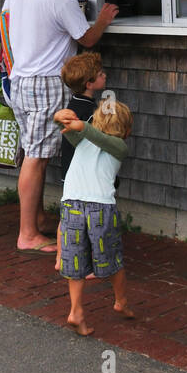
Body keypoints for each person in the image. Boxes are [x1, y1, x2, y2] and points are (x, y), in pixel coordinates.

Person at [3, 0, 119, 253]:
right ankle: (27, 234)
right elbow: (87, 38)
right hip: (47, 82)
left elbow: (6, 17)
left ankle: (36, 218)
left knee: (30, 151)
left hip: (22, 79)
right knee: (37, 158)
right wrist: (104, 19)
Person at [53, 97, 135, 335]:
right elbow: (64, 127)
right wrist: (59, 117)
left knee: (81, 260)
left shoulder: (118, 147)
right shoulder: (83, 139)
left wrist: (83, 126)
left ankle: (82, 310)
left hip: (72, 206)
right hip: (98, 208)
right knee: (106, 260)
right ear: (127, 130)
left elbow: (99, 137)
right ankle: (112, 303)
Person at [55, 51, 108, 269]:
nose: (105, 75)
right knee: (89, 218)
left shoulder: (72, 104)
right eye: (101, 73)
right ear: (89, 83)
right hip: (84, 173)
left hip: (68, 169)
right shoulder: (89, 112)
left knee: (67, 216)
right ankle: (90, 263)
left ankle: (60, 257)